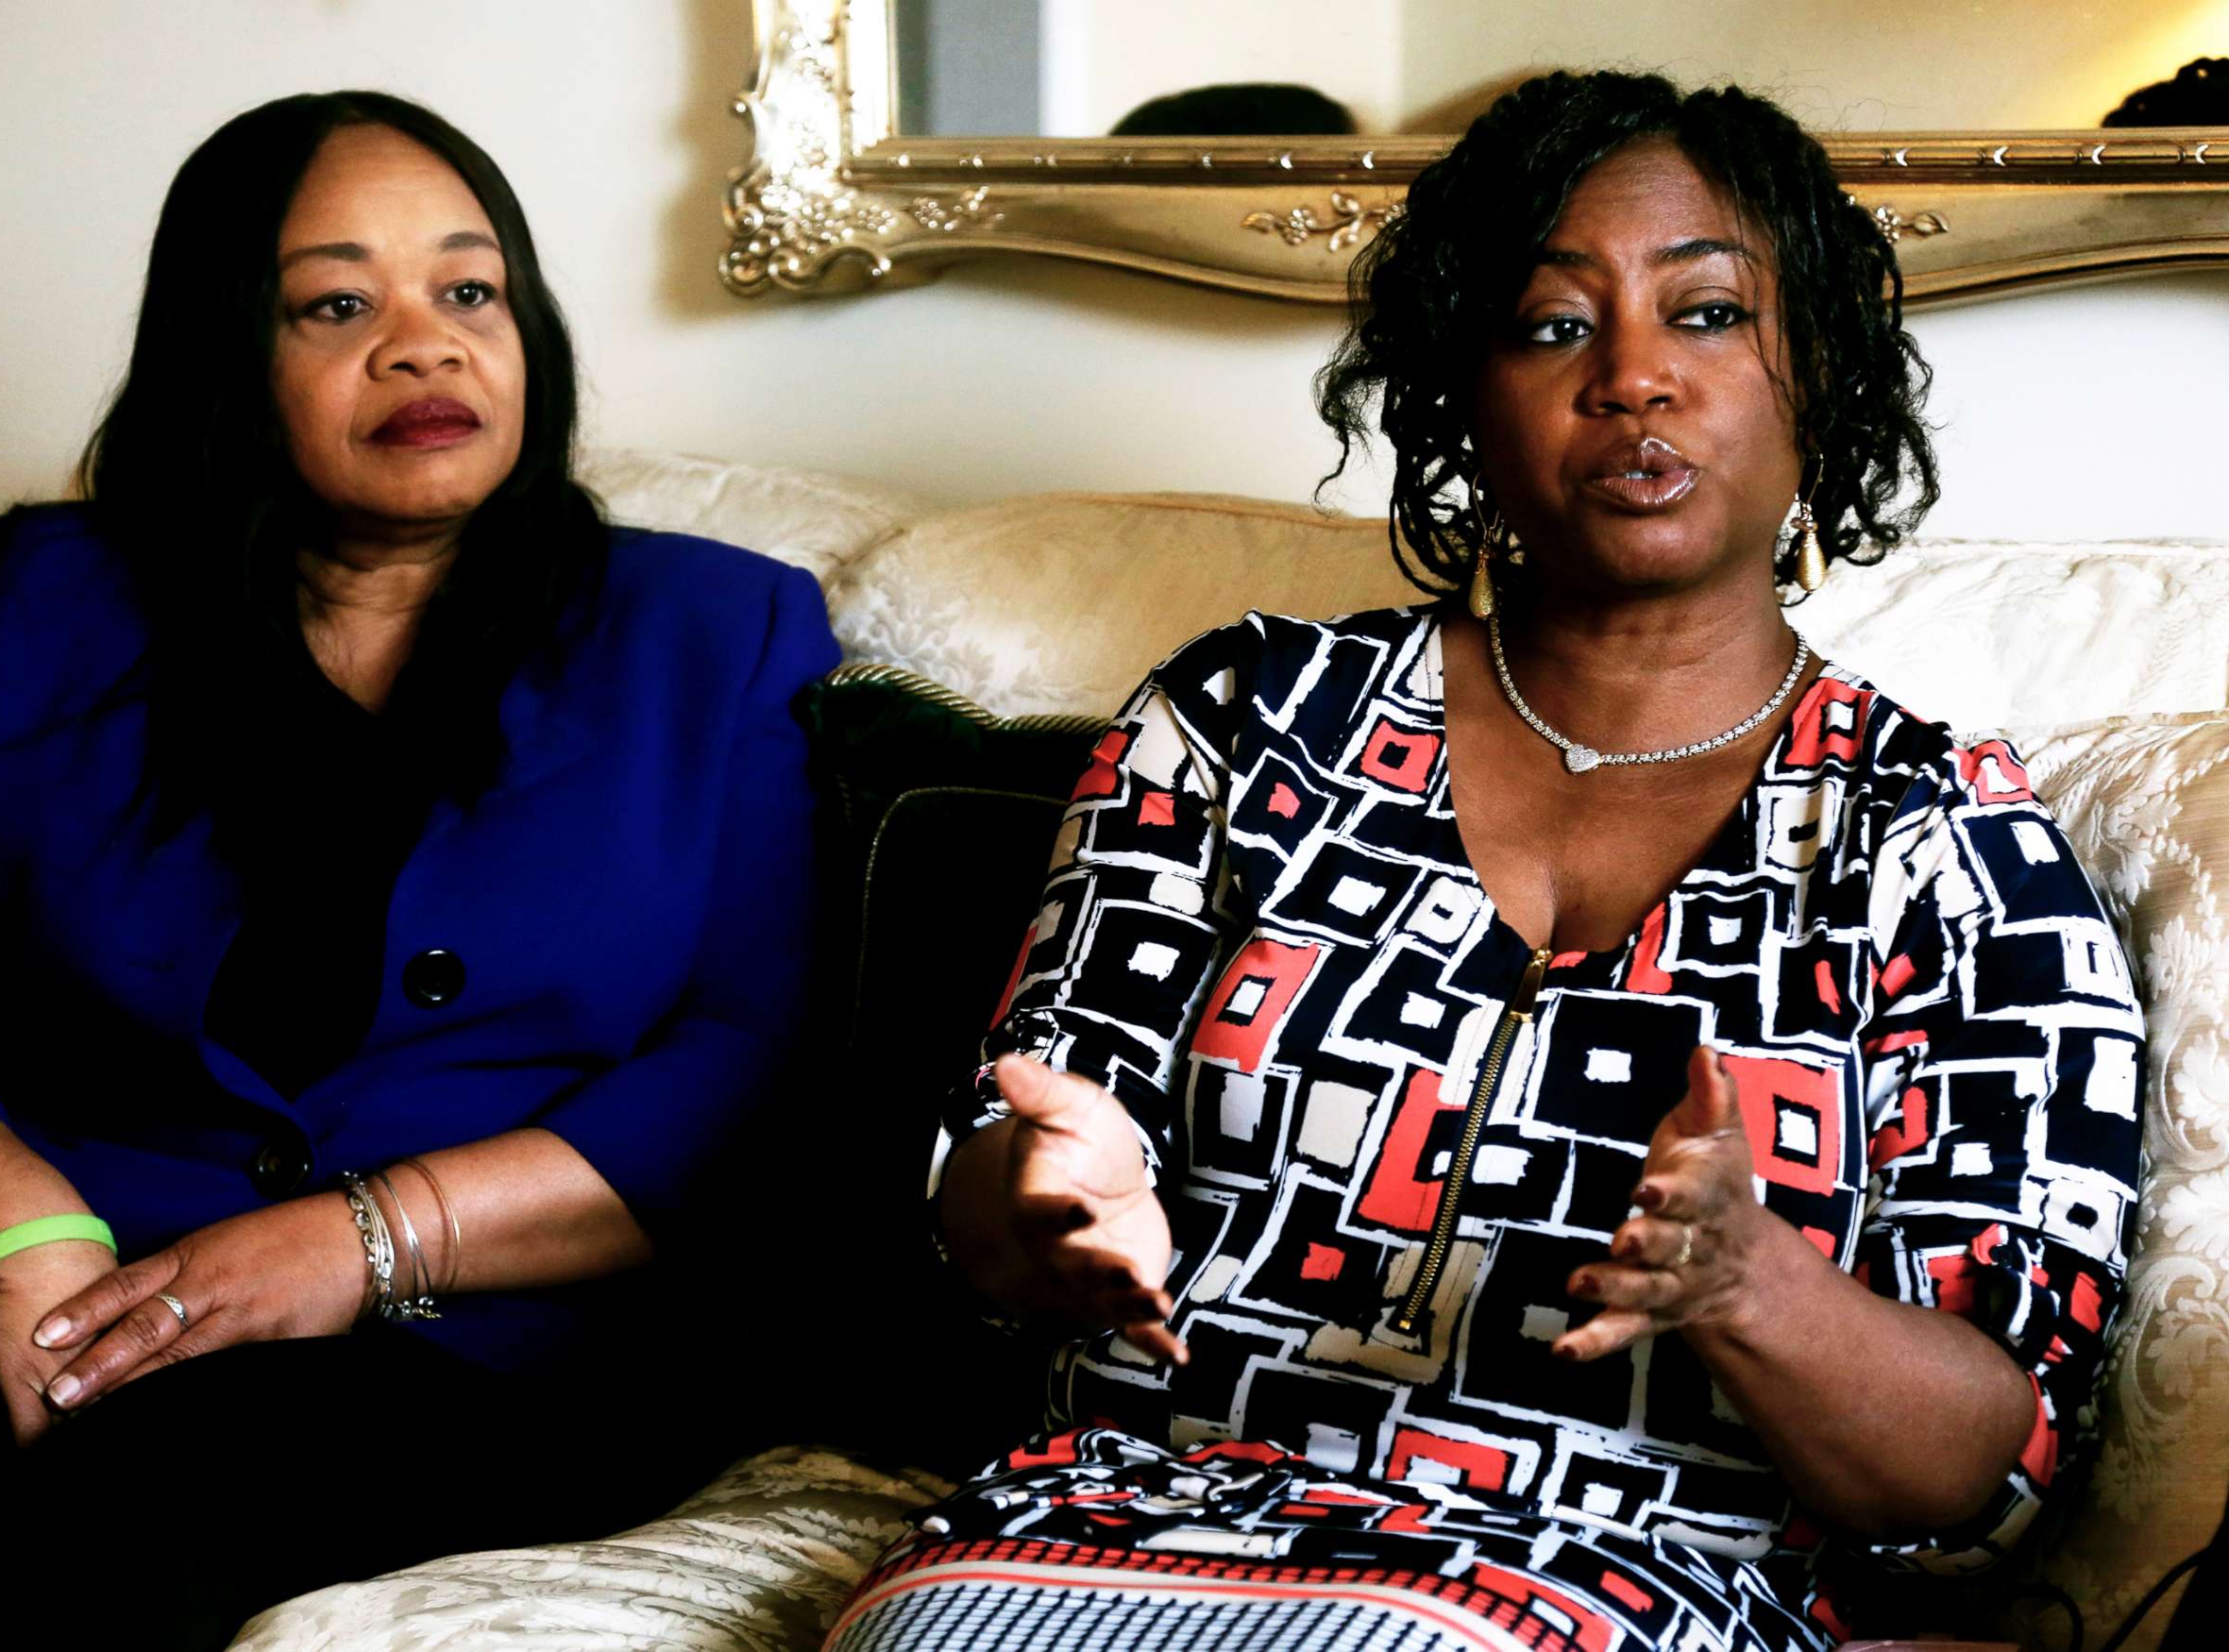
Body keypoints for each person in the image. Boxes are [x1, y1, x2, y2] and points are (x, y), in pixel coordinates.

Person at [826, 71, 2142, 1652]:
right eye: (1552, 324)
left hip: (1616, 1581)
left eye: (1709, 314)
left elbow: (1983, 1473)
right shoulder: (1247, 727)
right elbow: (992, 1194)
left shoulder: (1943, 845)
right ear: (1463, 391)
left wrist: (1746, 1284)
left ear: (1823, 378)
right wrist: (1039, 1205)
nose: (1635, 381)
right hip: (1106, 1535)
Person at [0, 91, 836, 1644]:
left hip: (469, 1349)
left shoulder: (713, 632)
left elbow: (752, 1059)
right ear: (226, 356)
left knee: (121, 1535)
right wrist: (22, 1230)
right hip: (45, 1278)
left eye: (468, 291)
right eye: (337, 303)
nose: (425, 344)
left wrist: (372, 1238)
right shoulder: (28, 599)